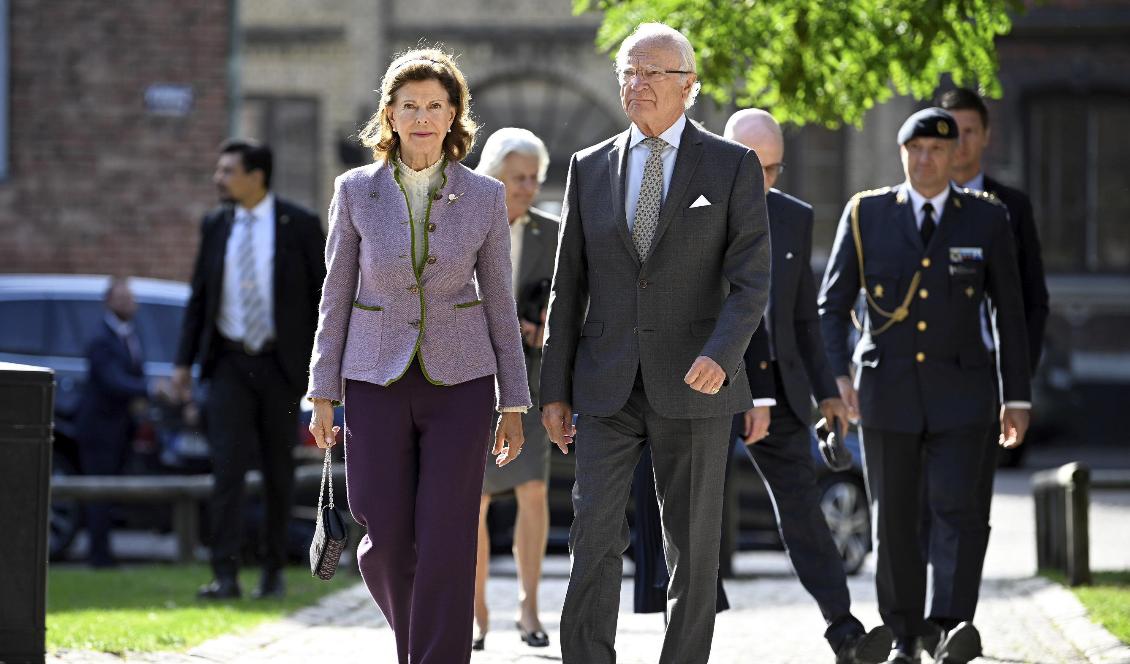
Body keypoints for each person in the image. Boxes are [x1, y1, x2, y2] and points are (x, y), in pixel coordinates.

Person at [539, 23, 771, 664]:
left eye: (652, 73)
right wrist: (553, 392)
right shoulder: (588, 168)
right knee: (592, 540)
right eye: (628, 74)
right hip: (606, 384)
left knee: (693, 550)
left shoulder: (731, 165)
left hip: (697, 384)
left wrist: (721, 356)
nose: (636, 85)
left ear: (688, 85)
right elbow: (568, 289)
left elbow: (752, 282)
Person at [305, 48, 531, 664]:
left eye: (435, 105)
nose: (423, 117)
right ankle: (417, 646)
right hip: (373, 378)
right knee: (382, 536)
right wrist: (322, 393)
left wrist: (514, 402)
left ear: (454, 114)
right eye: (411, 106)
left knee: (447, 536)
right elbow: (335, 293)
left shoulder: (484, 196)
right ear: (390, 114)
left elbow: (499, 303)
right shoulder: (354, 191)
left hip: (461, 383)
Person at [818, 107, 1032, 664]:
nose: (925, 159)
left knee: (959, 512)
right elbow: (832, 303)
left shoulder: (985, 220)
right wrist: (839, 377)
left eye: (937, 149)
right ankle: (906, 632)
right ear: (902, 154)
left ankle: (951, 625)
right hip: (887, 392)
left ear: (955, 154)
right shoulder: (866, 215)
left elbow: (1010, 311)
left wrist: (1017, 395)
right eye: (915, 149)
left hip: (964, 395)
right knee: (896, 518)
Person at [172, 139, 327, 600]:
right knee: (228, 470)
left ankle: (273, 572)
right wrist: (183, 363)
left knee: (279, 472)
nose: (218, 179)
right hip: (229, 363)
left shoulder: (298, 225)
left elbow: (324, 297)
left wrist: (325, 365)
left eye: (227, 170)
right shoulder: (216, 224)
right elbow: (200, 296)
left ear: (256, 175)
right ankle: (225, 574)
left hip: (280, 367)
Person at [471, 127, 557, 651]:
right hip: (472, 379)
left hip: (533, 377)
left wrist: (550, 328)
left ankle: (529, 608)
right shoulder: (469, 227)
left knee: (534, 490)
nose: (527, 188)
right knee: (473, 499)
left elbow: (575, 305)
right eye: (518, 178)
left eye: (534, 179)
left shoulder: (554, 232)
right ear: (493, 177)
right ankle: (476, 610)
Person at [76, 277, 162, 568]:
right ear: (109, 302)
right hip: (99, 429)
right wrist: (150, 389)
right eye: (123, 298)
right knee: (99, 492)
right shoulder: (101, 338)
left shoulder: (129, 334)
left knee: (110, 492)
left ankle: (104, 553)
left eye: (131, 298)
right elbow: (112, 381)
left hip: (119, 428)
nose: (129, 303)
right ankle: (99, 557)